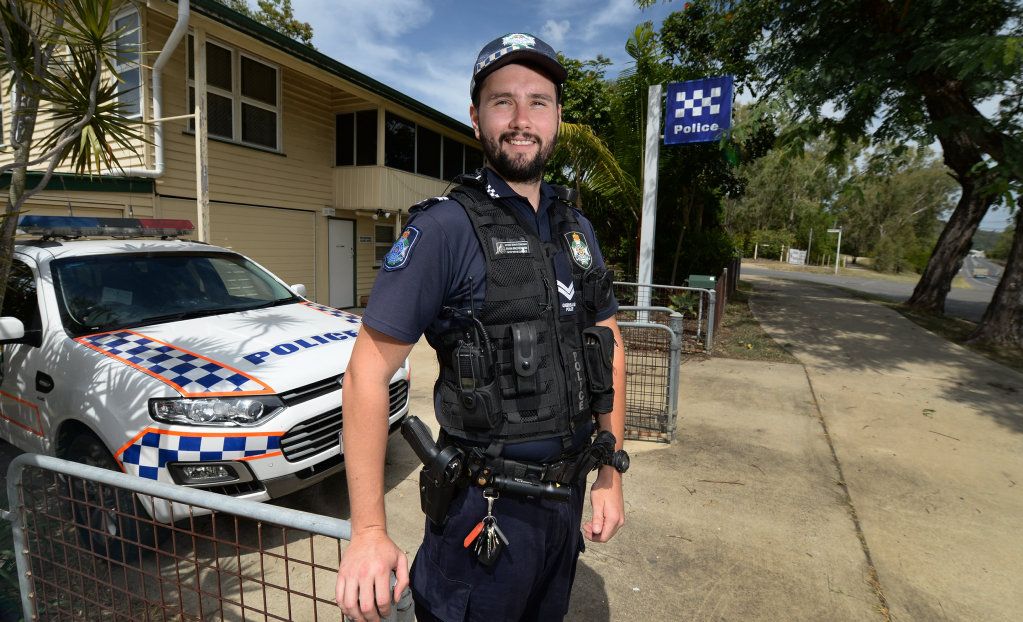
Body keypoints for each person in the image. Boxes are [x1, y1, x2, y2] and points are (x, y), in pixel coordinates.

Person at [335, 32, 627, 622]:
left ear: (558, 118)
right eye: (503, 102)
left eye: (538, 102)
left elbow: (609, 346)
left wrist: (610, 474)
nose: (522, 119)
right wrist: (368, 529)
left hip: (565, 506)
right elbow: (366, 372)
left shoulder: (577, 230)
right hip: (483, 513)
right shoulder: (444, 230)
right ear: (476, 118)